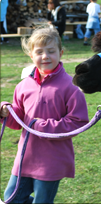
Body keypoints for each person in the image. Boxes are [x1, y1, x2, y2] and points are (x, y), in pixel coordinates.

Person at [0, 27, 89, 203]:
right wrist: (5, 111)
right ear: (31, 56)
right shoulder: (23, 86)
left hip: (51, 160)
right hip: (25, 157)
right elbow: (19, 120)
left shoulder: (70, 88)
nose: (45, 56)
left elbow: (78, 122)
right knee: (10, 198)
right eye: (39, 52)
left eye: (51, 51)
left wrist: (42, 126)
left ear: (60, 53)